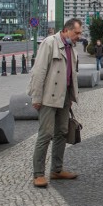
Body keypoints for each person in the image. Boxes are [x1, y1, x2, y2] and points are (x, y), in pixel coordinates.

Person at [27, 18, 83, 188]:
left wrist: (71, 97)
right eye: (77, 33)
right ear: (66, 30)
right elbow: (38, 72)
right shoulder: (50, 43)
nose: (79, 36)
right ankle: (38, 174)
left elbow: (72, 74)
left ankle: (56, 170)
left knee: (62, 132)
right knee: (46, 134)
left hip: (64, 96)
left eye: (80, 33)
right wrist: (36, 98)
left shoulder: (71, 48)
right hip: (48, 97)